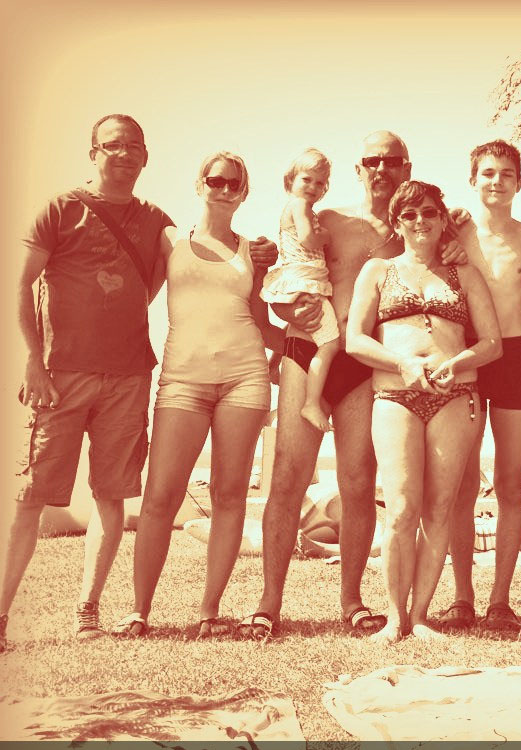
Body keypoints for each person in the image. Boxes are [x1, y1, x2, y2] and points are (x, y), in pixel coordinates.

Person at [2, 114, 275, 649]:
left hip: (131, 375)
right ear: (94, 152)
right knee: (32, 494)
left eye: (133, 146)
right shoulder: (67, 210)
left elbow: (160, 293)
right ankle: (5, 614)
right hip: (64, 374)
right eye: (112, 145)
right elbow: (21, 283)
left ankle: (89, 613)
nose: (123, 153)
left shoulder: (155, 223)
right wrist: (34, 360)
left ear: (146, 157)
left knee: (112, 494)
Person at [239, 131, 467, 640]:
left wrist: (458, 235)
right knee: (287, 478)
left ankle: (352, 601)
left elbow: (450, 260)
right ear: (359, 170)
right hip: (308, 352)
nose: (382, 168)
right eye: (372, 161)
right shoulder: (328, 220)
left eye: (392, 160)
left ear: (407, 168)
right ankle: (268, 603)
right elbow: (288, 270)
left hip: (364, 365)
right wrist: (279, 307)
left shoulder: (414, 231)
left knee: (359, 483)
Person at [112, 152, 283, 637]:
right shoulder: (170, 241)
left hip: (244, 380)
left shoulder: (254, 253)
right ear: (199, 184)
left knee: (230, 495)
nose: (224, 189)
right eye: (216, 180)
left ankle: (210, 612)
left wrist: (313, 344)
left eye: (234, 184)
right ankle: (139, 612)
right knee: (159, 497)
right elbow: (136, 298)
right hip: (182, 383)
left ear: (244, 193)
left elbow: (261, 321)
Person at [345, 180, 501, 642]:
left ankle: (419, 617)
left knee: (439, 508)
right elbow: (355, 340)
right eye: (409, 215)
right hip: (395, 397)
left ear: (442, 218)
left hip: (455, 395)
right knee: (400, 507)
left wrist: (458, 363)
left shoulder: (464, 274)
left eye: (429, 212)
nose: (420, 221)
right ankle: (395, 618)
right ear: (397, 223)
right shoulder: (378, 270)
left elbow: (491, 343)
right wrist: (403, 364)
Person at [439, 141, 521, 633]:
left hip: (516, 358)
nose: (496, 181)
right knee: (462, 481)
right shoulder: (451, 230)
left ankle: (500, 599)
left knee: (511, 481)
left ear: (519, 183)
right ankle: (462, 596)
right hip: (468, 356)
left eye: (506, 173)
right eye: (487, 173)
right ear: (473, 180)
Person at [261, 148, 338, 433]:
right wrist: (325, 236)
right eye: (307, 179)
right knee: (329, 343)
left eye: (320, 183)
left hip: (298, 277)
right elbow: (307, 239)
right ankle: (311, 402)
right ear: (290, 181)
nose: (313, 187)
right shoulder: (300, 205)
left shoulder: (296, 207)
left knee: (297, 326)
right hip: (305, 279)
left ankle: (273, 364)